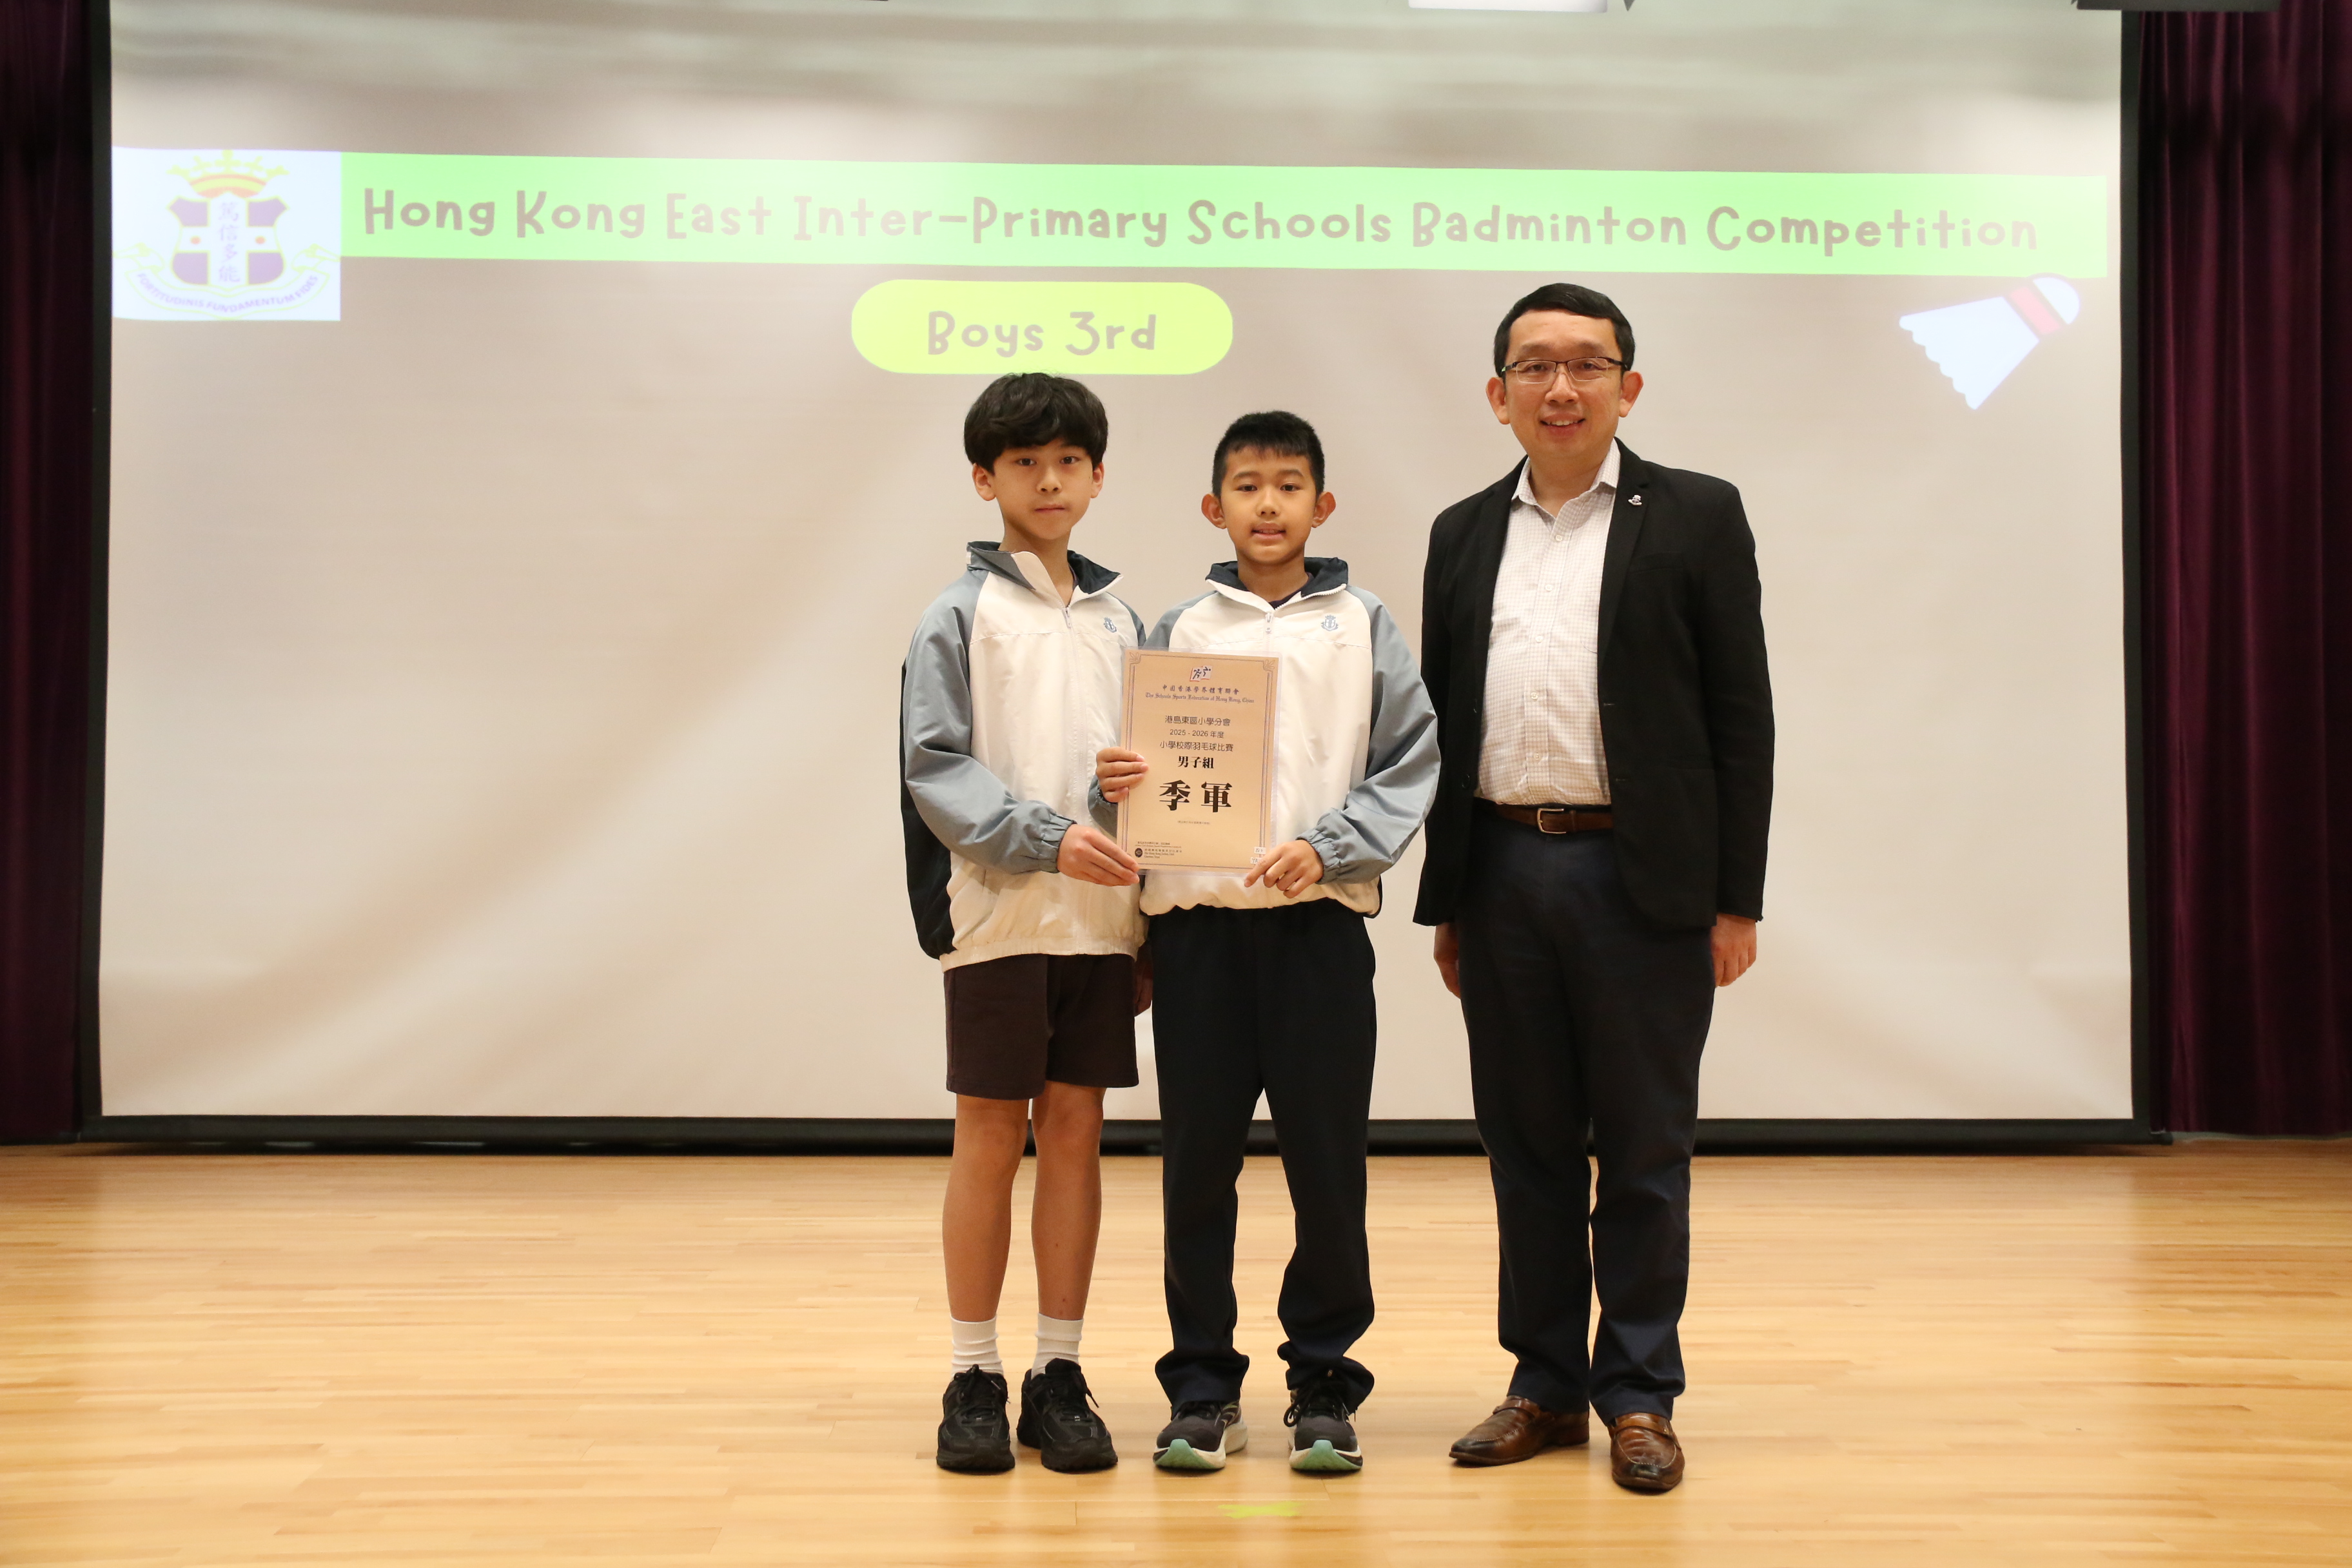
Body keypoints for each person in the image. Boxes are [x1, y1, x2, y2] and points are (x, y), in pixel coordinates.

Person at [1415, 284, 1774, 1493]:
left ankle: (1638, 1393)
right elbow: (1445, 723)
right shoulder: (1462, 532)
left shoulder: (1698, 514)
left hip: (1645, 878)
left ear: (1630, 387)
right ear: (1498, 394)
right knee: (1523, 1149)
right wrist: (1450, 899)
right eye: (1535, 366)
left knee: (1642, 1150)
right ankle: (1543, 1386)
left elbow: (1742, 718)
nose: (1560, 387)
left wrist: (1736, 898)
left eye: (1586, 365)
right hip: (1504, 868)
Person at [1096, 411, 1438, 1476]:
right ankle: (1201, 1386)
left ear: (1322, 506)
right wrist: (1115, 793)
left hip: (1318, 938)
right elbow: (1136, 787)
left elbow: (1410, 762)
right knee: (1196, 1169)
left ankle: (1324, 1381)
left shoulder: (1363, 624)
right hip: (1199, 942)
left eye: (1289, 485)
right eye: (1247, 486)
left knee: (1327, 1169)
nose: (1268, 504)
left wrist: (1328, 849)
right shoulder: (1177, 630)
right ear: (1215, 508)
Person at [900, 373, 1150, 1476]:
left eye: (1068, 462)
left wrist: (1146, 906)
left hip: (1102, 922)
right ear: (984, 479)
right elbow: (935, 769)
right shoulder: (957, 615)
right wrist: (1045, 838)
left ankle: (1059, 1371)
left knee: (1079, 1134)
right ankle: (973, 1374)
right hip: (998, 916)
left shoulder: (1125, 621)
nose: (1049, 481)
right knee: (991, 1137)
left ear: (1097, 477)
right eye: (1024, 463)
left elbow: (1142, 783)